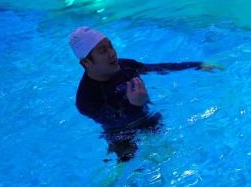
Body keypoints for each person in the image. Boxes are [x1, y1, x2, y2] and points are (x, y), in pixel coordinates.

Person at [70, 26, 214, 162]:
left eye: (110, 46)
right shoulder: (86, 100)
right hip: (124, 137)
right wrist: (136, 106)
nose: (112, 53)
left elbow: (157, 68)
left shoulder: (125, 66)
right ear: (86, 62)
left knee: (176, 155)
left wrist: (197, 65)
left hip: (150, 119)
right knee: (129, 166)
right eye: (102, 50)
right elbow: (117, 124)